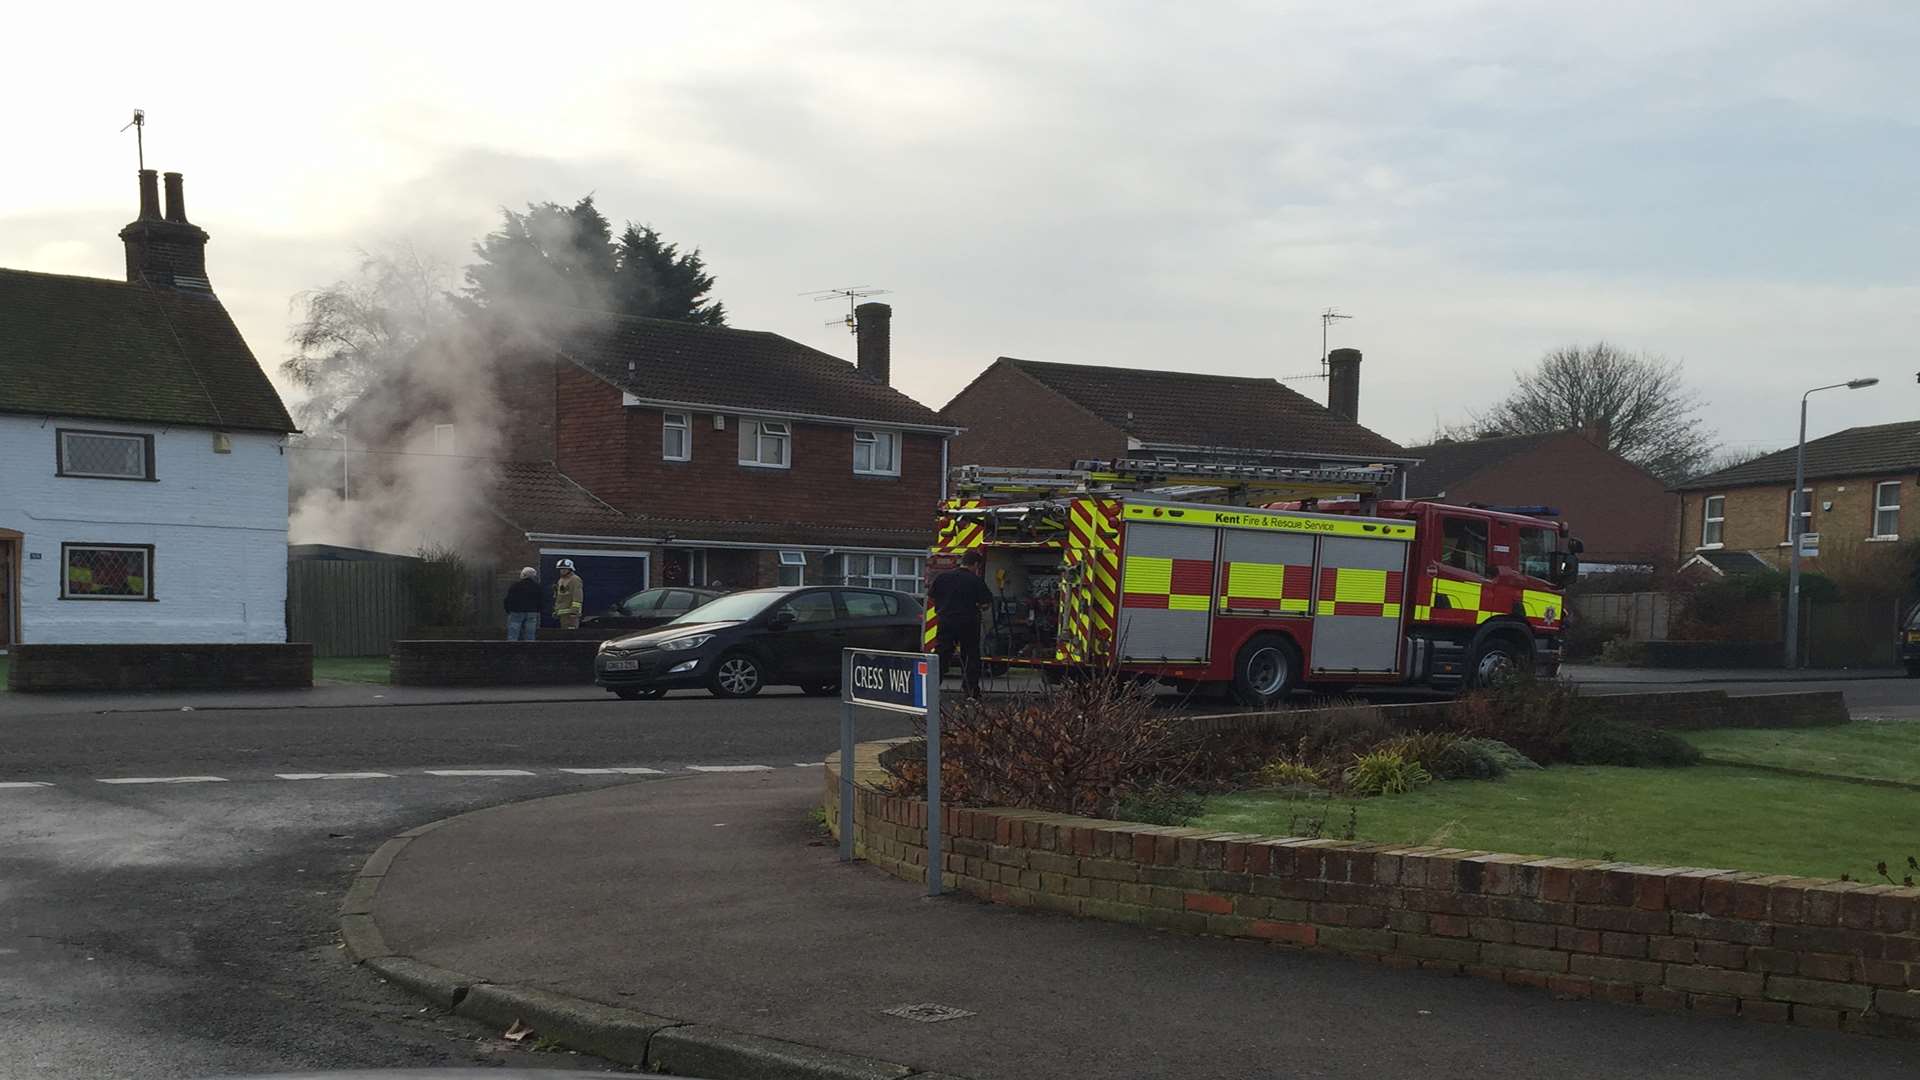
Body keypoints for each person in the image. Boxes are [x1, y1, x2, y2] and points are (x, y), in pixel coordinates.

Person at [927, 550, 994, 699]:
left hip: (945, 621)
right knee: (970, 656)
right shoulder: (975, 581)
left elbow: (931, 597)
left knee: (942, 655)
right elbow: (986, 603)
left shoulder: (943, 577)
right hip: (968, 623)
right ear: (976, 564)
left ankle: (930, 688)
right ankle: (970, 691)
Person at [504, 567, 543, 641]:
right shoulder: (537, 587)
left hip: (516, 612)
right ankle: (529, 650)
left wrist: (508, 610)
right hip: (532, 612)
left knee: (513, 633)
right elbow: (541, 600)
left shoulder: (515, 586)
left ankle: (512, 649)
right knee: (530, 634)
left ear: (523, 575)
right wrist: (537, 610)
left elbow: (508, 599)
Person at [552, 559, 585, 629]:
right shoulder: (561, 580)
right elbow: (559, 597)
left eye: (565, 569)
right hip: (562, 613)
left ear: (570, 569)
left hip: (571, 614)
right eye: (560, 569)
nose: (562, 571)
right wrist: (556, 610)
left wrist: (574, 611)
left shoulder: (575, 579)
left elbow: (577, 596)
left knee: (571, 634)